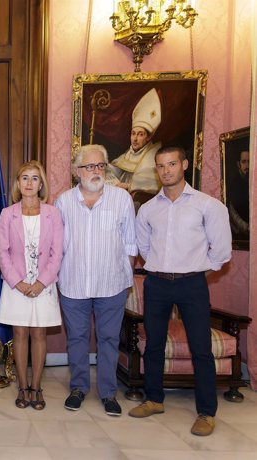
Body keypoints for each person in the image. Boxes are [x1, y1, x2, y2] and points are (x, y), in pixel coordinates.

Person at [129, 145, 232, 436]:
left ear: (184, 164)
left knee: (201, 348)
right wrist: (161, 268)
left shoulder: (208, 205)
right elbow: (144, 248)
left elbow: (221, 251)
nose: (166, 171)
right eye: (160, 166)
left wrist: (196, 270)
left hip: (192, 284)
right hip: (157, 282)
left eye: (171, 164)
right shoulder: (148, 209)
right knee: (154, 344)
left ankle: (206, 412)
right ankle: (154, 399)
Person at [56, 144, 137, 416]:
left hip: (111, 284)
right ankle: (78, 388)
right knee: (77, 338)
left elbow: (130, 243)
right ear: (77, 172)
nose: (96, 171)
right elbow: (58, 244)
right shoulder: (63, 201)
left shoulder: (121, 199)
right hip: (73, 283)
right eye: (89, 166)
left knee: (109, 339)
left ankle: (108, 393)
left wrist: (126, 276)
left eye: (100, 165)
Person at [0, 160, 63, 410]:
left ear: (41, 184)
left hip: (44, 286)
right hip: (17, 286)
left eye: (35, 178)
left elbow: (57, 252)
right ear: (18, 183)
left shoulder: (52, 213)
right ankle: (22, 387)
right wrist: (19, 282)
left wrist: (41, 282)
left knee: (39, 334)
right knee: (20, 334)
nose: (29, 183)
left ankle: (37, 387)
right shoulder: (7, 214)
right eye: (25, 177)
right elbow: (2, 252)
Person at [109, 88, 163, 205]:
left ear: (148, 137)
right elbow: (114, 169)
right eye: (133, 133)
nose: (135, 138)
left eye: (140, 134)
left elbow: (151, 184)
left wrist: (128, 186)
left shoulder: (153, 155)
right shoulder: (129, 153)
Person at [227, 149, 249, 239]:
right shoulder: (233, 185)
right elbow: (232, 213)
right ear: (238, 164)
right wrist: (247, 227)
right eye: (244, 162)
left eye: (249, 161)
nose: (247, 165)